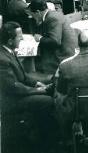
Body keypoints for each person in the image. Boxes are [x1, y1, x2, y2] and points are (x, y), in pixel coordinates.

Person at [0, 22, 58, 151]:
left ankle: (42, 135)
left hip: (18, 93)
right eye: (19, 36)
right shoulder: (2, 59)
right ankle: (45, 141)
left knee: (49, 92)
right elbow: (13, 87)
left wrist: (37, 84)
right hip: (11, 100)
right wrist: (37, 90)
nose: (21, 39)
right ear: (10, 40)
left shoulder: (8, 51)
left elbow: (23, 77)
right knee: (47, 101)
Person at [27, 0, 77, 75]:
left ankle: (48, 78)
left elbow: (55, 41)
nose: (32, 18)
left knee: (35, 63)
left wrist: (40, 38)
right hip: (65, 48)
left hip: (63, 54)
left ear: (37, 12)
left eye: (32, 15)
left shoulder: (52, 18)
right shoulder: (52, 14)